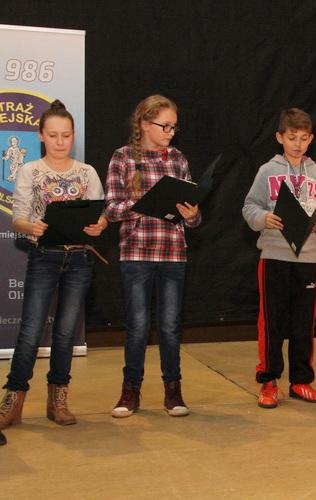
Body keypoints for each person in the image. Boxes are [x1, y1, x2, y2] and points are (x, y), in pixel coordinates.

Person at [0, 100, 107, 431]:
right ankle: (13, 399)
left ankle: (58, 398)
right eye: (53, 135)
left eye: (66, 135)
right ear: (41, 136)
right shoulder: (30, 170)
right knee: (31, 330)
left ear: (73, 136)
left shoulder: (87, 172)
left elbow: (100, 214)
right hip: (44, 257)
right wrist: (31, 227)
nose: (61, 142)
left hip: (79, 259)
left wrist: (100, 226)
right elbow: (18, 218)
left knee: (65, 333)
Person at [104, 94, 201, 418]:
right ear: (146, 124)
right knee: (137, 325)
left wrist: (192, 214)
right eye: (165, 126)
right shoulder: (123, 157)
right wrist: (144, 203)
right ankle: (130, 390)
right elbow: (111, 208)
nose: (170, 132)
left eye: (174, 127)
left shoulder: (178, 159)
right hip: (136, 253)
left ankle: (173, 390)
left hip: (173, 253)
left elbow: (193, 214)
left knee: (170, 326)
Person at [242, 108, 316, 408]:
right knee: (272, 322)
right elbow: (249, 207)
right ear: (279, 137)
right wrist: (263, 218)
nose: (298, 144)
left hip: (308, 258)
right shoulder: (267, 171)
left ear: (311, 139)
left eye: (304, 138)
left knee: (303, 324)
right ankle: (269, 381)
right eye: (292, 138)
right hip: (274, 255)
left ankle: (301, 381)